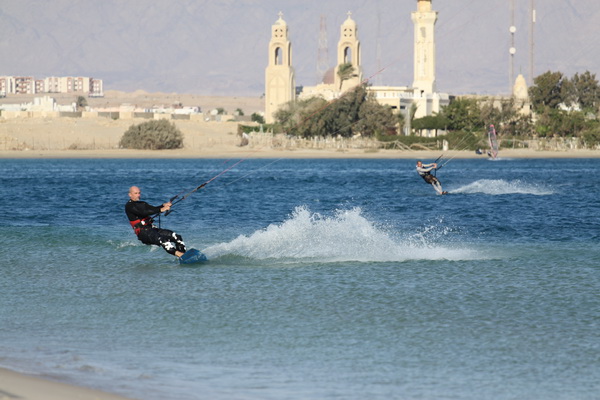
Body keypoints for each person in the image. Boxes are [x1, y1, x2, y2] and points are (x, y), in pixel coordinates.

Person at [125, 186, 186, 258]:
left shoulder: (142, 203)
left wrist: (163, 205)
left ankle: (184, 256)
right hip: (143, 233)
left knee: (176, 236)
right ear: (130, 194)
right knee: (164, 240)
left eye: (139, 193)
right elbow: (144, 212)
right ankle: (181, 256)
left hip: (151, 229)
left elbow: (153, 209)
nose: (138, 195)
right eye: (136, 193)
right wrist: (161, 210)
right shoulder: (129, 206)